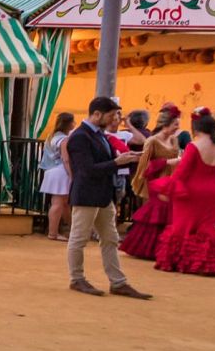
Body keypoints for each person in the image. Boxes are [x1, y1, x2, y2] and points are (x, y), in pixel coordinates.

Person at [64, 96, 151, 299]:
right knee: (79, 238)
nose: (115, 120)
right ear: (97, 114)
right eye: (111, 116)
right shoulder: (81, 137)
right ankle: (77, 278)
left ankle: (117, 281)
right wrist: (117, 162)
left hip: (102, 194)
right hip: (87, 194)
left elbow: (102, 163)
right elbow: (85, 170)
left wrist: (123, 159)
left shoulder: (97, 134)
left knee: (110, 238)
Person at [154, 109, 215, 276]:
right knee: (206, 227)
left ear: (196, 128)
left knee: (183, 227)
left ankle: (181, 262)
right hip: (213, 192)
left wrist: (168, 190)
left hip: (190, 192)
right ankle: (207, 262)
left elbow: (181, 173)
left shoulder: (194, 146)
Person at [119, 106, 182, 261]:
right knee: (157, 212)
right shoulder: (152, 141)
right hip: (156, 182)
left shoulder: (174, 140)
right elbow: (145, 166)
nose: (178, 128)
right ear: (166, 124)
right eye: (175, 124)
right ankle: (150, 248)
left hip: (171, 181)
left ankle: (167, 248)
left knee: (170, 213)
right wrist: (168, 162)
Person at [40, 113, 76, 241]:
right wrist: (71, 175)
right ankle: (53, 232)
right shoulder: (64, 139)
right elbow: (66, 159)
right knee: (59, 203)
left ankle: (72, 229)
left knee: (62, 203)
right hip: (61, 171)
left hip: (51, 170)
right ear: (69, 124)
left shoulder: (52, 137)